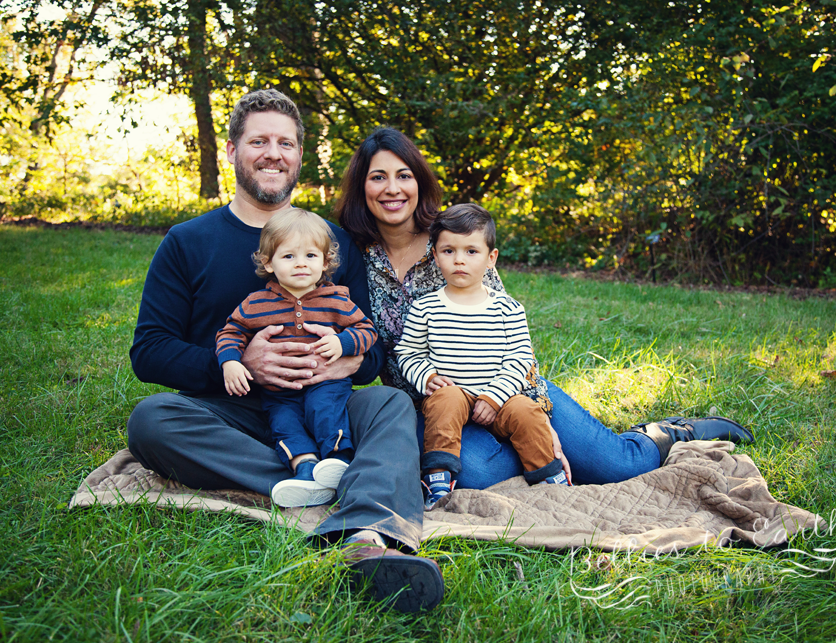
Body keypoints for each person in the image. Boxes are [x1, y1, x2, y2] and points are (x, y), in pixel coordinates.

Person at [126, 90, 443, 613]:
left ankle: (367, 535)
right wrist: (234, 362)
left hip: (327, 403)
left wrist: (344, 358)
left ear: (299, 155)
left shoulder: (332, 242)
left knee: (391, 404)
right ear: (232, 150)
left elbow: (370, 352)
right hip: (234, 411)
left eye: (286, 143)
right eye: (259, 141)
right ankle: (316, 480)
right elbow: (150, 351)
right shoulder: (187, 241)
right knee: (151, 421)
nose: (273, 153)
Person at [335, 126, 755, 489]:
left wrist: (539, 423)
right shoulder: (352, 258)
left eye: (403, 175)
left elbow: (510, 338)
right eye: (378, 177)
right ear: (362, 187)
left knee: (618, 466)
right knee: (477, 475)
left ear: (419, 182)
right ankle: (532, 461)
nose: (392, 188)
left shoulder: (453, 240)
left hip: (508, 389)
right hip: (434, 410)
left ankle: (668, 434)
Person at [394, 204, 568, 509]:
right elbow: (407, 352)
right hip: (453, 395)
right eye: (448, 251)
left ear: (491, 259)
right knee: (444, 400)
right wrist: (428, 377)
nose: (459, 260)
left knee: (528, 412)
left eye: (471, 251)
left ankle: (549, 480)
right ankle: (437, 478)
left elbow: (519, 359)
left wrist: (494, 397)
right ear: (434, 256)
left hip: (499, 399)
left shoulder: (508, 308)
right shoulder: (426, 307)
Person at [215, 208, 378, 508]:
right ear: (268, 261)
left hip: (325, 384)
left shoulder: (337, 300)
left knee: (324, 410)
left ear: (326, 262)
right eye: (289, 256)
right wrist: (231, 361)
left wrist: (343, 343)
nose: (301, 264)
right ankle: (304, 470)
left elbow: (367, 330)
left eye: (311, 256)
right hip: (280, 393)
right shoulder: (256, 303)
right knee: (283, 424)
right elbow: (231, 332)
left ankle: (337, 459)